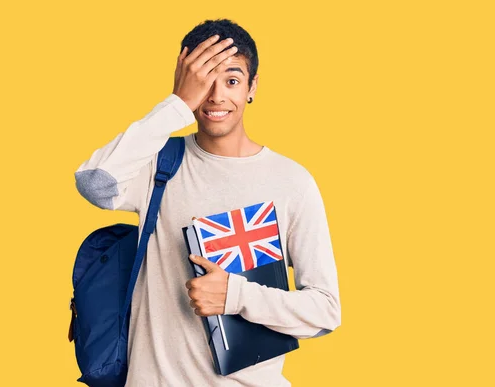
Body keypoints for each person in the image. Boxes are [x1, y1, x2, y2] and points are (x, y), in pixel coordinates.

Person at [74, 18, 341, 387]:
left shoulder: (292, 182)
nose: (216, 96)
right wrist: (177, 104)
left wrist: (237, 295)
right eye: (204, 81)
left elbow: (325, 311)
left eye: (231, 80)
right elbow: (94, 182)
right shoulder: (158, 165)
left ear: (252, 87)